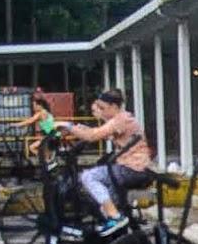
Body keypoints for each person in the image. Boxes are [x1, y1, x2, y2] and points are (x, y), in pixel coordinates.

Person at [57, 89, 152, 236]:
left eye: (103, 108)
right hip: (132, 167)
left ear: (114, 106)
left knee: (89, 177)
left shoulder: (121, 120)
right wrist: (73, 128)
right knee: (105, 206)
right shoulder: (121, 119)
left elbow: (93, 135)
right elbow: (96, 131)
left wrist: (69, 127)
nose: (100, 111)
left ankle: (116, 217)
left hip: (132, 168)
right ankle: (119, 234)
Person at [12, 94, 59, 163]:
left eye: (34, 106)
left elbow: (29, 121)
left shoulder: (41, 113)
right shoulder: (47, 112)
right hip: (52, 136)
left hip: (50, 137)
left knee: (34, 149)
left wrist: (16, 125)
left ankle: (48, 162)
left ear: (39, 106)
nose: (33, 108)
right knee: (32, 147)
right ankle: (48, 161)